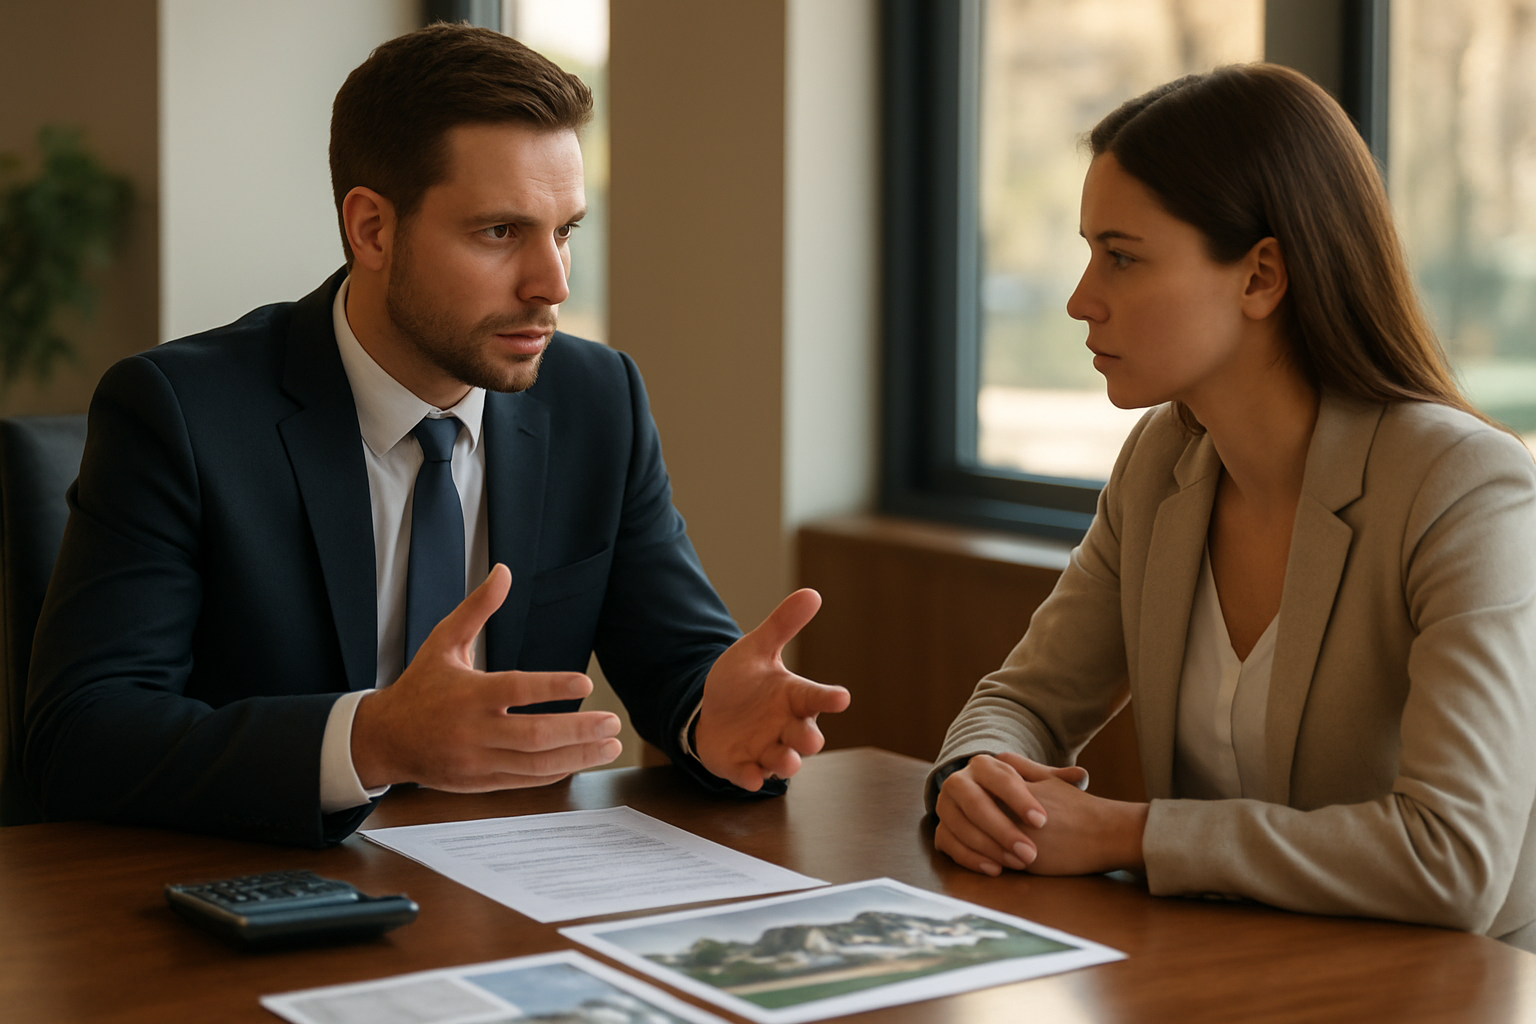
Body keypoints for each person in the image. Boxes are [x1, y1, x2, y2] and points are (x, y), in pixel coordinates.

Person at [22, 23, 849, 847]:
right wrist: (372, 738)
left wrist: (715, 715)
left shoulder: (599, 400)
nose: (551, 284)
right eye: (500, 232)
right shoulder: (179, 412)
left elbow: (677, 661)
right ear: (372, 230)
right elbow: (81, 737)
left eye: (563, 231)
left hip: (512, 895)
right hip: (250, 895)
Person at [928, 63, 1536, 949]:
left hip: (1442, 996)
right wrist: (978, 780)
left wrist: (1128, 835)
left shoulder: (1465, 488)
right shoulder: (1163, 463)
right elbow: (1024, 701)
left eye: (1122, 257)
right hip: (1226, 978)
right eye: (1089, 252)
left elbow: (1453, 858)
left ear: (1261, 277)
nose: (1079, 299)